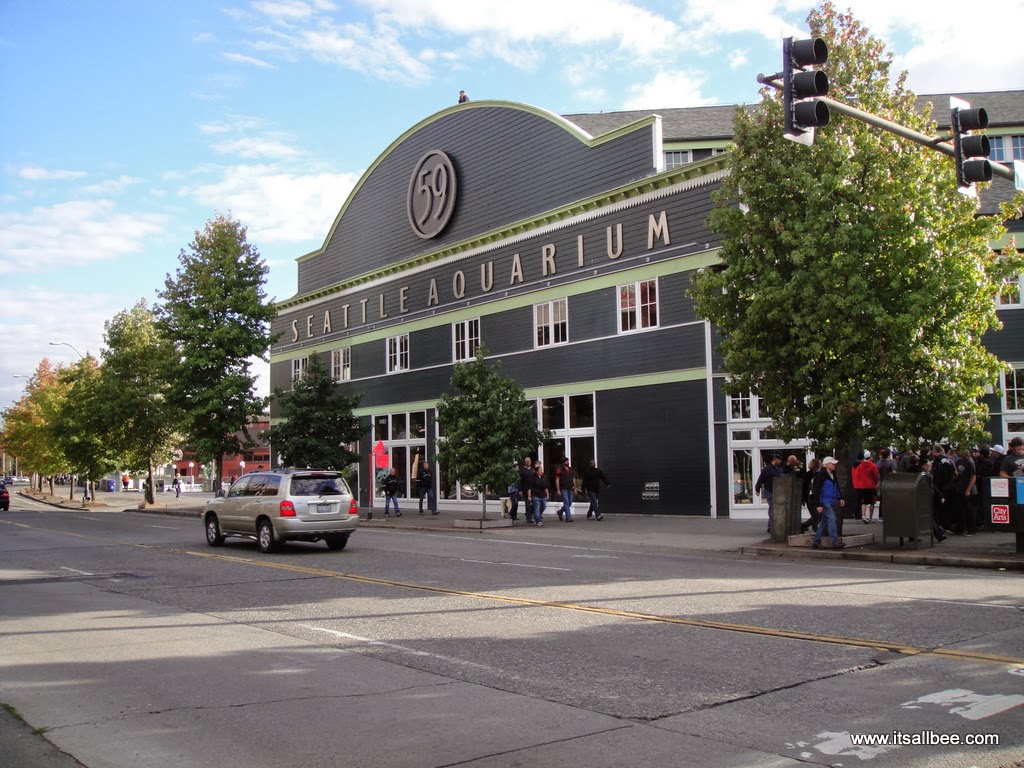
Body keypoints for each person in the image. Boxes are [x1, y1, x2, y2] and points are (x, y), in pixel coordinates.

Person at [809, 456, 845, 549]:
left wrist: (840, 497)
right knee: (832, 519)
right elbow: (816, 490)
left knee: (824, 522)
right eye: (832, 464)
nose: (834, 465)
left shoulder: (832, 474)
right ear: (827, 465)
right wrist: (818, 504)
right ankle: (835, 541)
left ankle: (816, 542)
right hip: (824, 501)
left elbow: (836, 487)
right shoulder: (820, 474)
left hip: (829, 500)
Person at [754, 454, 783, 533]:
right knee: (772, 506)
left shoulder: (779, 469)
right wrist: (757, 489)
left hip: (777, 491)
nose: (780, 461)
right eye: (779, 460)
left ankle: (776, 525)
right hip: (769, 490)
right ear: (775, 460)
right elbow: (761, 479)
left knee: (775, 507)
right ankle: (770, 526)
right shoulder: (767, 470)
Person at [852, 450, 879, 523]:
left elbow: (858, 474)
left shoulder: (860, 466)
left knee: (863, 502)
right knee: (872, 502)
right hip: (871, 485)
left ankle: (863, 515)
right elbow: (876, 476)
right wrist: (875, 482)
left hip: (863, 485)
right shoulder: (873, 466)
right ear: (869, 457)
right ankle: (870, 518)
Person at [800, 458, 821, 534]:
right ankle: (814, 529)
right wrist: (804, 498)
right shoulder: (809, 475)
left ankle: (805, 525)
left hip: (811, 497)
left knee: (817, 514)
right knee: (816, 514)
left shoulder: (811, 474)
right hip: (810, 497)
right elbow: (805, 488)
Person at [555, 457, 576, 522]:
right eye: (566, 461)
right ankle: (568, 517)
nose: (568, 462)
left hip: (570, 488)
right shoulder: (560, 470)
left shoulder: (571, 469)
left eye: (568, 461)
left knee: (569, 503)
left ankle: (560, 512)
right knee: (566, 502)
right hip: (564, 488)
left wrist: (575, 488)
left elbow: (573, 478)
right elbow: (557, 479)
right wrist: (558, 489)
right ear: (563, 462)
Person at [530, 462, 549, 527]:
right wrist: (529, 495)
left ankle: (536, 516)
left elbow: (546, 486)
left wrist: (547, 494)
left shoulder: (543, 477)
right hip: (535, 495)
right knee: (537, 508)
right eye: (540, 470)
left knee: (544, 506)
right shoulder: (533, 478)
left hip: (543, 495)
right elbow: (529, 487)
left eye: (541, 470)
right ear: (536, 471)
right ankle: (539, 521)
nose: (541, 471)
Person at [519, 456, 535, 524]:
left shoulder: (533, 470)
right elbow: (519, 480)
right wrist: (520, 490)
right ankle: (528, 517)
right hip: (525, 490)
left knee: (534, 504)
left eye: (528, 461)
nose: (527, 463)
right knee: (527, 504)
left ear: (531, 462)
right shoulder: (522, 470)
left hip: (533, 490)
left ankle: (530, 514)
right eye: (526, 462)